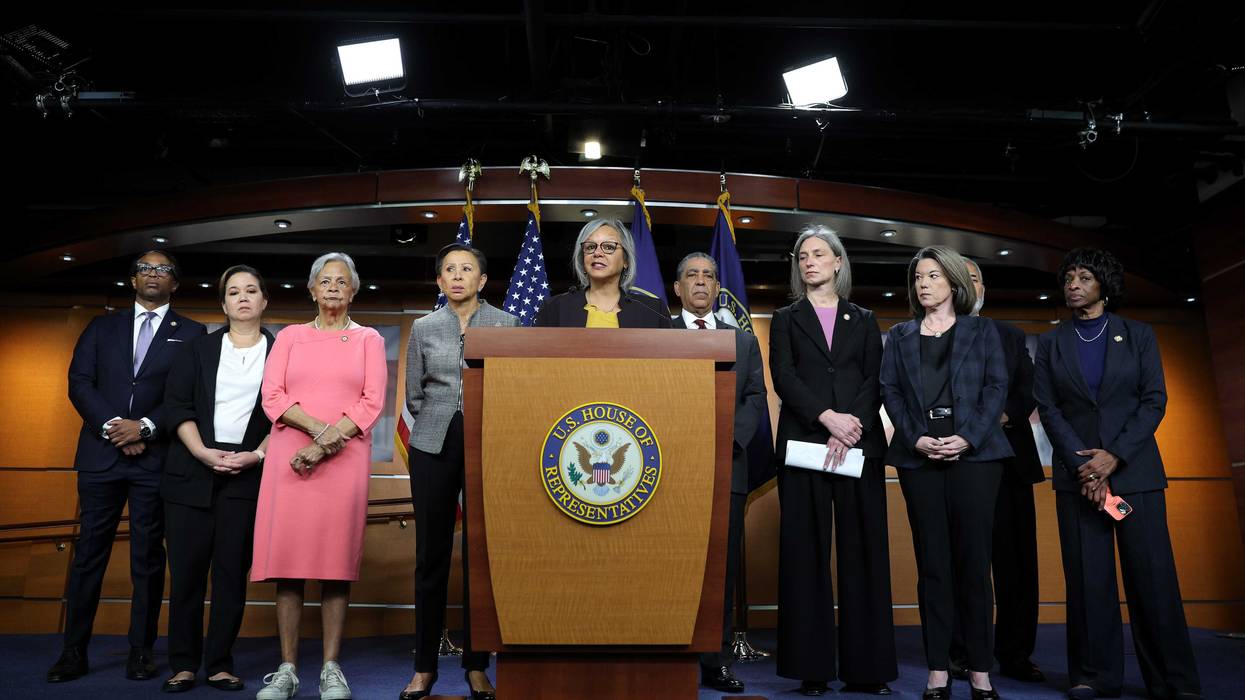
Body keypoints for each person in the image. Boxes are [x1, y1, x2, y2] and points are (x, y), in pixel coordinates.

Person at [1033, 248, 1200, 700]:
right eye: (1068, 277)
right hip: (1079, 480)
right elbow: (1048, 408)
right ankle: (1093, 675)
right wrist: (1087, 468)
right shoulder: (1051, 343)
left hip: (1136, 475)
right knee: (1089, 581)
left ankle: (1173, 679)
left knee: (1152, 577)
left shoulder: (1139, 335)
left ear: (1104, 286)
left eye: (1084, 277)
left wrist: (1114, 458)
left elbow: (1154, 401)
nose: (1073, 284)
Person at [49, 250, 206, 684]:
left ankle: (142, 651)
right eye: (145, 268)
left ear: (175, 283)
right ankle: (73, 651)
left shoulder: (193, 334)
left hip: (156, 461)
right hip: (101, 459)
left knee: (148, 560)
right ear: (132, 280)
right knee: (88, 558)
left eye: (163, 270)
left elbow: (188, 393)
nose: (153, 274)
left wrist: (147, 428)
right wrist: (115, 428)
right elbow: (79, 382)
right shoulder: (101, 326)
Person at [250, 252, 387, 700]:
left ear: (353, 291)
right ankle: (287, 669)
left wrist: (326, 442)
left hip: (344, 459)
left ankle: (331, 668)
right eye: (324, 281)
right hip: (290, 454)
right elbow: (272, 396)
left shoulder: (368, 338)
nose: (332, 288)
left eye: (341, 282)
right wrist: (315, 431)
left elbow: (372, 401)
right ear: (311, 289)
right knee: (289, 567)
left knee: (334, 566)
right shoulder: (289, 336)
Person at [770, 227, 898, 697]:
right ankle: (812, 669)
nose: (809, 262)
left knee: (864, 553)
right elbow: (783, 375)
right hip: (804, 446)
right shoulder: (786, 318)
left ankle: (868, 670)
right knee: (805, 555)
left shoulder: (863, 318)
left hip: (857, 445)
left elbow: (874, 377)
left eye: (819, 254)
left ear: (839, 262)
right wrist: (827, 418)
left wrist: (850, 426)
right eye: (802, 255)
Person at [880, 245, 1011, 700]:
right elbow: (889, 390)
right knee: (933, 566)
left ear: (953, 282)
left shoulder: (983, 329)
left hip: (976, 459)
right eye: (918, 277)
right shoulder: (898, 335)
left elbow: (997, 387)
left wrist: (969, 437)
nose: (923, 284)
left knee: (974, 567)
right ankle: (938, 669)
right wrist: (914, 436)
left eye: (933, 276)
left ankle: (980, 670)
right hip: (920, 460)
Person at [400, 244, 517, 700]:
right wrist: (438, 421)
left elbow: (514, 386)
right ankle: (424, 666)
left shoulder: (507, 324)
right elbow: (414, 394)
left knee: (480, 558)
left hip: (489, 443)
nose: (457, 276)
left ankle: (475, 665)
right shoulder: (426, 327)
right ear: (440, 281)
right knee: (430, 556)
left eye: (467, 269)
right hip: (433, 443)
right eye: (448, 269)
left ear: (482, 281)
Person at [159, 265, 275, 693]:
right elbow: (176, 407)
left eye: (251, 290)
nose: (242, 298)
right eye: (233, 292)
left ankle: (220, 663)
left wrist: (256, 455)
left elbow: (283, 415)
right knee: (186, 575)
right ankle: (184, 664)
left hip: (247, 477)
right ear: (223, 304)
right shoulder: (196, 350)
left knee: (230, 575)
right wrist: (203, 452)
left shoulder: (283, 352)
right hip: (191, 471)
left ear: (264, 301)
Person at [670, 252, 768, 695]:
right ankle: (669, 657)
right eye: (692, 276)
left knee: (719, 570)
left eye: (709, 275)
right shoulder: (660, 334)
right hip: (669, 470)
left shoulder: (741, 340)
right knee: (670, 564)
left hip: (727, 465)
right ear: (677, 288)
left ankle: (716, 661)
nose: (701, 282)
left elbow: (753, 395)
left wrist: (726, 441)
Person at [949, 260, 1046, 683]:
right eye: (959, 279)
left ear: (983, 288)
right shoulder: (932, 335)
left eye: (973, 278)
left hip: (1009, 464)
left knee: (1017, 568)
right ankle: (960, 651)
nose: (967, 285)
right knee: (961, 563)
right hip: (956, 463)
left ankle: (1016, 654)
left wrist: (991, 419)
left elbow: (1029, 389)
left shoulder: (1009, 335)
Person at [534, 218, 672, 328]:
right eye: (590, 247)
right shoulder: (554, 308)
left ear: (626, 260)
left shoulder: (654, 310)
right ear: (583, 259)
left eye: (608, 247)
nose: (597, 253)